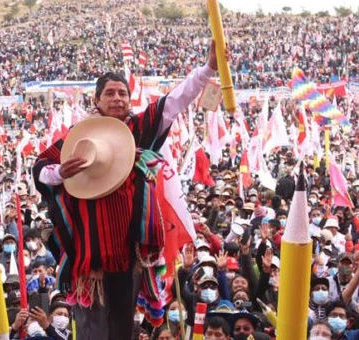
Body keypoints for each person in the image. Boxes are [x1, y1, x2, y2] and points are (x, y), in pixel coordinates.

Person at [32, 41, 225, 340]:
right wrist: (59, 172)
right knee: (92, 329)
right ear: (96, 100)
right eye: (109, 93)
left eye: (122, 93)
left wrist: (208, 68)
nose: (117, 98)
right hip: (89, 259)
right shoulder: (78, 138)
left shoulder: (138, 131)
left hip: (128, 256)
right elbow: (41, 167)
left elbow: (175, 101)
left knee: (122, 330)